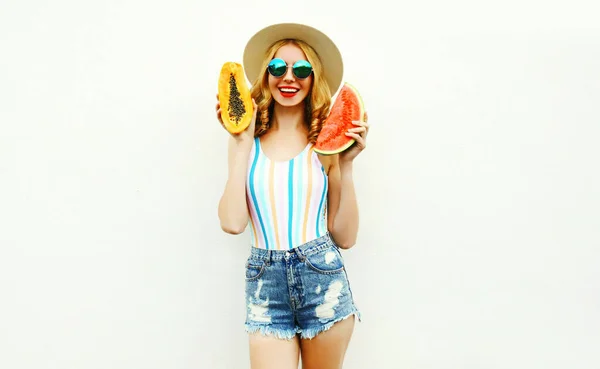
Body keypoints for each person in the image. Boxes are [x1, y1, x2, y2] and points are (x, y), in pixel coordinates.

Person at [215, 22, 369, 369]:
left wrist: (346, 165)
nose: (289, 77)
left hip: (323, 278)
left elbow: (345, 236)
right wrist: (240, 143)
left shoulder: (326, 144)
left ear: (314, 78)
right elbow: (232, 222)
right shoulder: (245, 144)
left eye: (301, 69)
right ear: (265, 75)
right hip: (264, 282)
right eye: (277, 68)